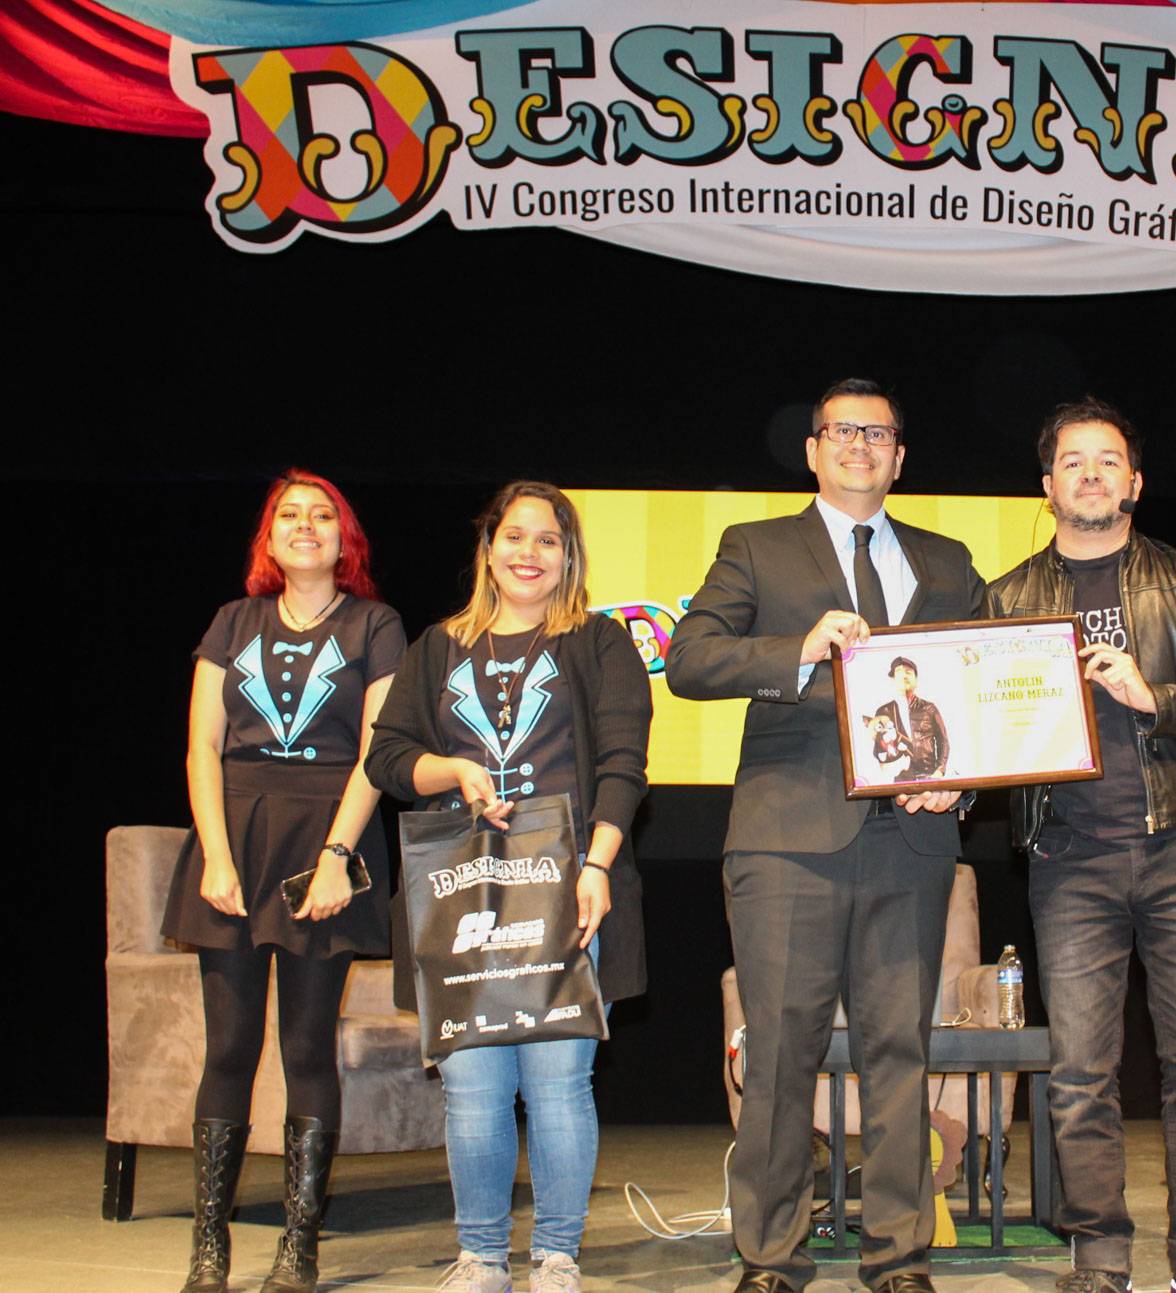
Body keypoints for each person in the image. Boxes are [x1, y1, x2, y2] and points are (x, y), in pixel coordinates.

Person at [665, 378, 985, 1293]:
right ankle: (770, 1255)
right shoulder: (756, 546)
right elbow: (688, 658)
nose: (859, 445)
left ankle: (900, 1257)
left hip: (912, 845)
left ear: (900, 457)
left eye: (878, 434)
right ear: (812, 450)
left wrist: (962, 779)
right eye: (842, 430)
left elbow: (980, 687)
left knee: (900, 1056)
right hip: (787, 841)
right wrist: (799, 650)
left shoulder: (948, 560)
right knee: (779, 1055)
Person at [984, 397, 1176, 1293]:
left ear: (1134, 481)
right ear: (1047, 484)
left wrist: (1158, 697)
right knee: (1077, 1074)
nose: (1092, 473)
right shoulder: (1009, 596)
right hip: (1069, 860)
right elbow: (984, 727)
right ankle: (1100, 1258)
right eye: (1073, 461)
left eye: (1108, 460)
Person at [364, 481, 650, 1293]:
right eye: (514, 536)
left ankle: (556, 1255)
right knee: (473, 1089)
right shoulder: (437, 648)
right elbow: (387, 757)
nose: (530, 552)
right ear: (488, 549)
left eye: (548, 539)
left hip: (567, 885)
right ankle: (481, 1257)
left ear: (569, 556)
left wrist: (598, 865)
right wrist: (450, 769)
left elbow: (624, 765)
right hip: (461, 890)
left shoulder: (599, 642)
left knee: (559, 1084)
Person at [163, 469, 405, 1293]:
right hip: (236, 837)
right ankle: (209, 1248)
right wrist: (216, 853)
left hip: (324, 839)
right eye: (290, 515)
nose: (306, 525)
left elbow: (377, 751)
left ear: (345, 538)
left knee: (306, 1046)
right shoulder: (233, 620)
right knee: (229, 1046)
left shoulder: (375, 624)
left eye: (323, 515)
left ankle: (299, 1246)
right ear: (269, 537)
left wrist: (338, 856)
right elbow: (202, 746)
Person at [873, 656, 950, 782]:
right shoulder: (883, 712)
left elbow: (943, 741)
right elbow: (878, 749)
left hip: (929, 775)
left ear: (916, 679)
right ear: (892, 679)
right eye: (899, 672)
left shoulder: (929, 708)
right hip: (901, 780)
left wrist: (940, 770)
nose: (904, 676)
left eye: (908, 672)